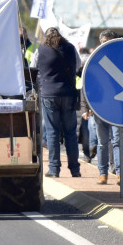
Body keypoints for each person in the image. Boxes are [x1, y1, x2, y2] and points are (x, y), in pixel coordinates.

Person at [35, 27, 81, 178]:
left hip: (49, 95)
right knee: (70, 133)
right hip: (68, 94)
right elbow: (78, 65)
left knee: (52, 133)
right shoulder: (71, 48)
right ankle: (75, 169)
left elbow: (33, 67)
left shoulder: (40, 50)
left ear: (46, 37)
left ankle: (54, 169)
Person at [91, 30, 122, 184]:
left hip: (118, 107)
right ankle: (102, 173)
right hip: (99, 107)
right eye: (104, 41)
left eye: (110, 41)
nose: (107, 44)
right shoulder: (94, 59)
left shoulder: (122, 59)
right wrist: (86, 107)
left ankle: (120, 173)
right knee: (102, 143)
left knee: (117, 141)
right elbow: (87, 84)